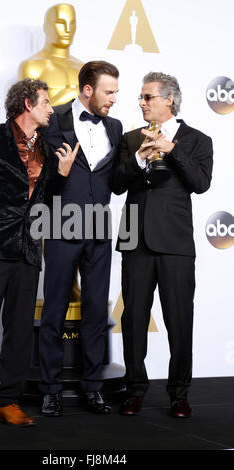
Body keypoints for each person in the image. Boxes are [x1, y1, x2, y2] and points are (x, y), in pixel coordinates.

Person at [0, 60, 122, 417]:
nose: (115, 98)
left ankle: (93, 388)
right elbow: (21, 147)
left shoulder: (115, 127)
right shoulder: (54, 121)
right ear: (88, 89)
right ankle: (50, 389)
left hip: (98, 226)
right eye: (109, 91)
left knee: (96, 310)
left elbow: (113, 178)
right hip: (58, 227)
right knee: (52, 309)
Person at [0, 78, 78, 437]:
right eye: (46, 102)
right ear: (26, 104)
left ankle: (6, 400)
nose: (51, 108)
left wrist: (62, 176)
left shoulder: (50, 147)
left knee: (20, 331)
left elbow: (46, 198)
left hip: (28, 249)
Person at [109, 72, 213, 418]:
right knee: (133, 320)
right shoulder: (129, 138)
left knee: (180, 321)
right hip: (135, 241)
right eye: (140, 97)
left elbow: (200, 184)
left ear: (169, 100)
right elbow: (116, 184)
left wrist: (172, 150)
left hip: (175, 244)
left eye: (147, 97)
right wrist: (138, 158)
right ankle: (134, 390)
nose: (141, 102)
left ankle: (179, 393)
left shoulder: (197, 140)